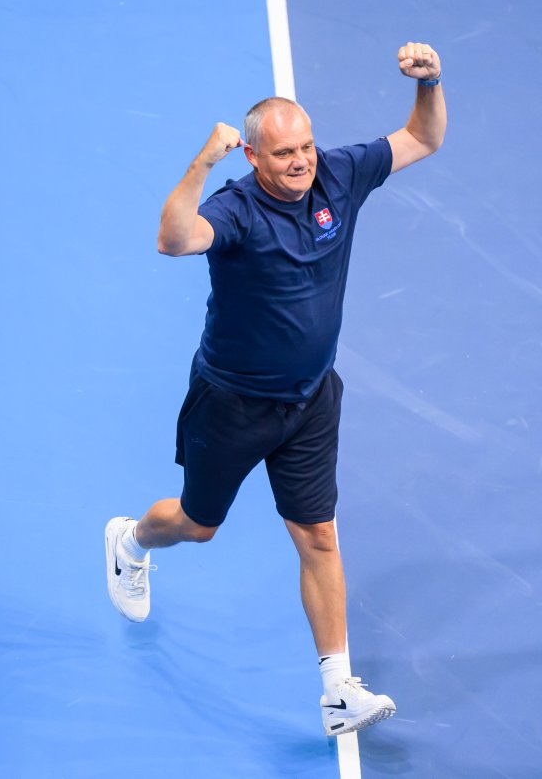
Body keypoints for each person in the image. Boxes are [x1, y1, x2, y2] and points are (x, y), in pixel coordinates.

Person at [106, 42, 446, 737]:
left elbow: (422, 137)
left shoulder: (340, 175)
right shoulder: (236, 210)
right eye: (285, 153)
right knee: (197, 525)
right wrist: (202, 163)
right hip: (231, 405)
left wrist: (431, 82)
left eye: (307, 147)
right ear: (254, 157)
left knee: (318, 535)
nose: (301, 162)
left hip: (312, 400)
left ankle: (337, 689)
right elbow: (173, 240)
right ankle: (131, 540)